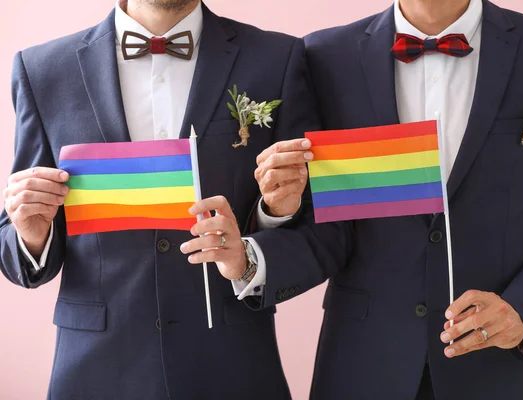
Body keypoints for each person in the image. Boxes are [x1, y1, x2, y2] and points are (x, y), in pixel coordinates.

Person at [249, 0, 523, 398]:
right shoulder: (323, 56)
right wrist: (276, 213)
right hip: (361, 368)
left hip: (502, 371)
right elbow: (318, 224)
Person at [0, 0, 318, 398]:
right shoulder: (42, 69)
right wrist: (31, 235)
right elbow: (17, 246)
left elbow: (316, 224)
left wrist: (259, 237)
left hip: (232, 366)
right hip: (95, 371)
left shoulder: (277, 58)